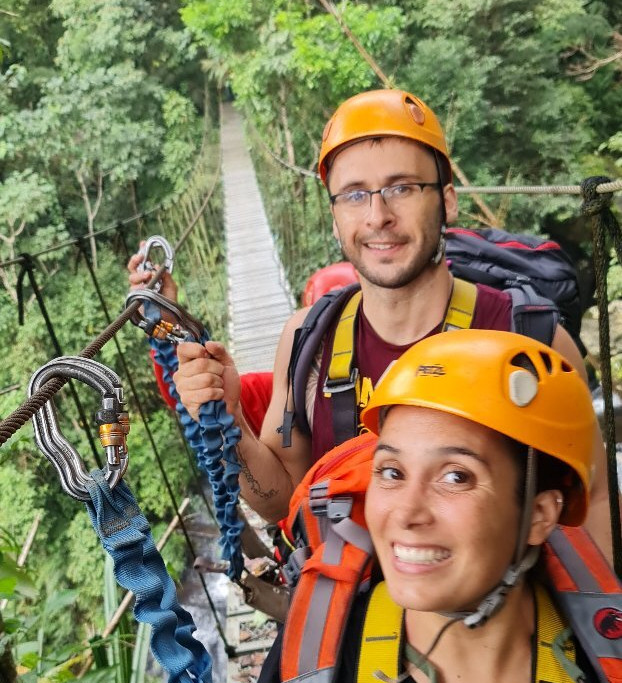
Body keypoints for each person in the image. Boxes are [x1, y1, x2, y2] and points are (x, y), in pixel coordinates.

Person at [141, 87, 613, 561]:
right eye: (354, 195)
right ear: (334, 218)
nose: (378, 216)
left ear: (447, 201)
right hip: (355, 599)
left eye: (402, 188)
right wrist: (229, 424)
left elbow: (592, 499)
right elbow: (283, 500)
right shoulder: (308, 340)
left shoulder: (530, 342)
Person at [251, 329, 622, 683]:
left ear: (538, 515)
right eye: (391, 472)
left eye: (456, 476)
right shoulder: (307, 666)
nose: (406, 513)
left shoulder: (609, 676)